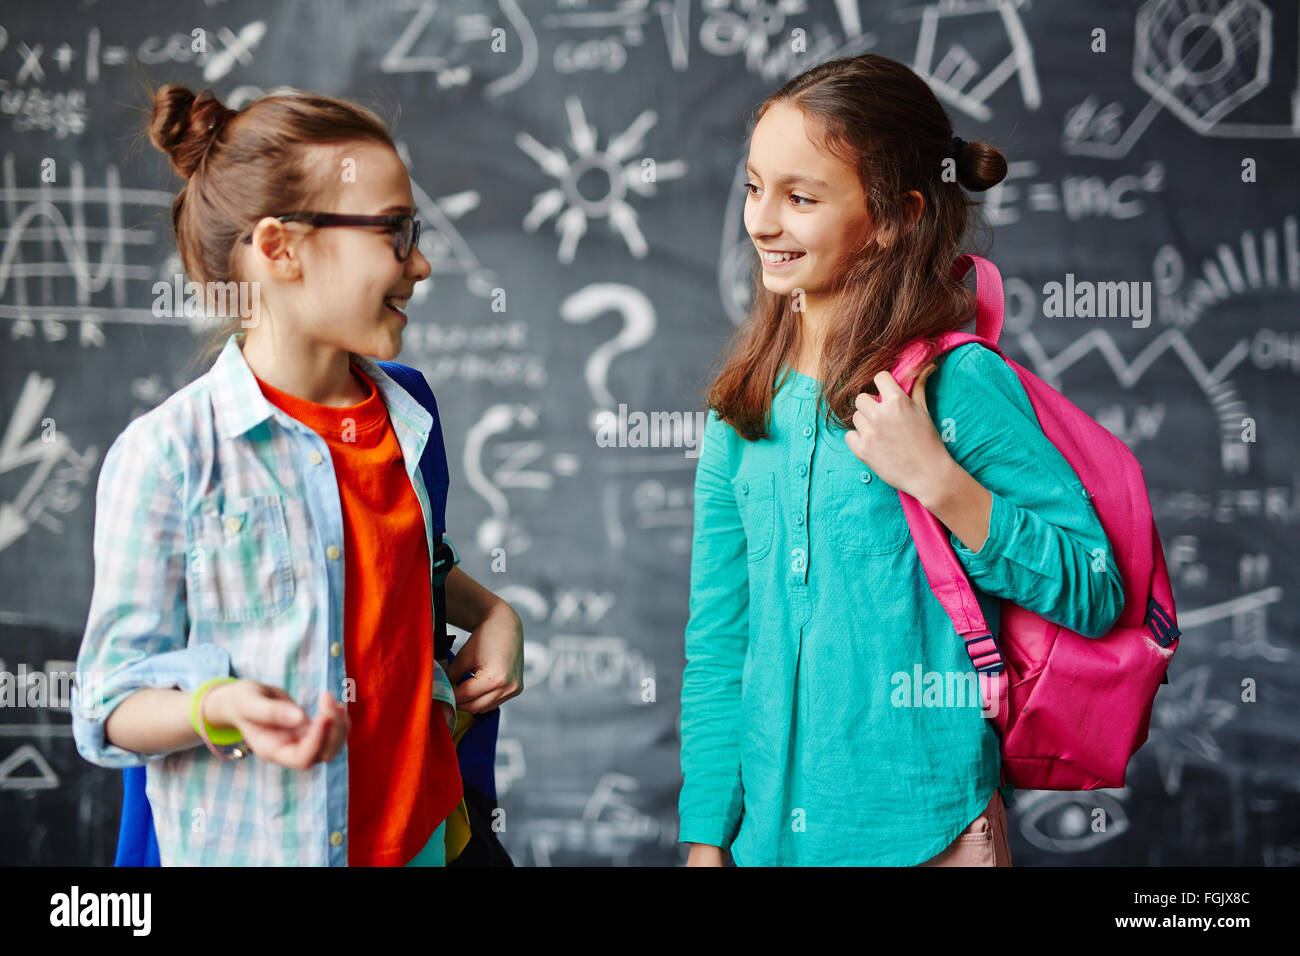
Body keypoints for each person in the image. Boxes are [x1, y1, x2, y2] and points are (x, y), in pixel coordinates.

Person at [678, 54, 1124, 866]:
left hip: (932, 837)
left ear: (895, 215)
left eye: (800, 197)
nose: (762, 222)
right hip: (767, 845)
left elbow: (1095, 586)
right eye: (753, 187)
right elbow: (719, 640)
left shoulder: (959, 388)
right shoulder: (741, 409)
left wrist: (938, 481)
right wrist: (707, 835)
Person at [72, 85, 524, 866]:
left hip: (436, 841)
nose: (420, 262)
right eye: (395, 231)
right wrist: (218, 708)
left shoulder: (407, 412)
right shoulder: (170, 456)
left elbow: (386, 558)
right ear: (280, 248)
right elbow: (107, 706)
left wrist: (493, 611)